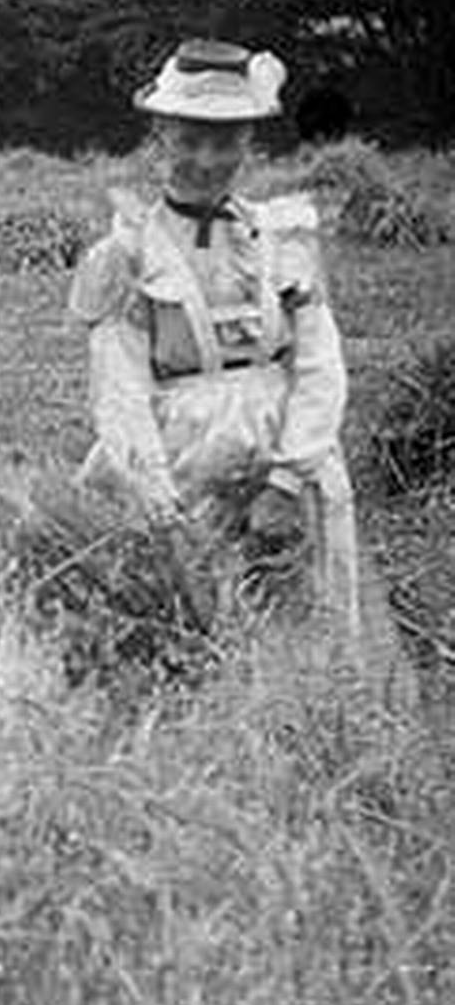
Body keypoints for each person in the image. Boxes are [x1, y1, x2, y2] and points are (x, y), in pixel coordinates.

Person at [69, 39, 395, 667]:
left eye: (226, 141)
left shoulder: (286, 237)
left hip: (286, 457)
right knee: (173, 632)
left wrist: (287, 479)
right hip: (180, 463)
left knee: (305, 632)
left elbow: (320, 366)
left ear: (249, 144)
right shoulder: (125, 253)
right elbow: (119, 392)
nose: (207, 159)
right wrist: (161, 513)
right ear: (159, 138)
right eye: (189, 139)